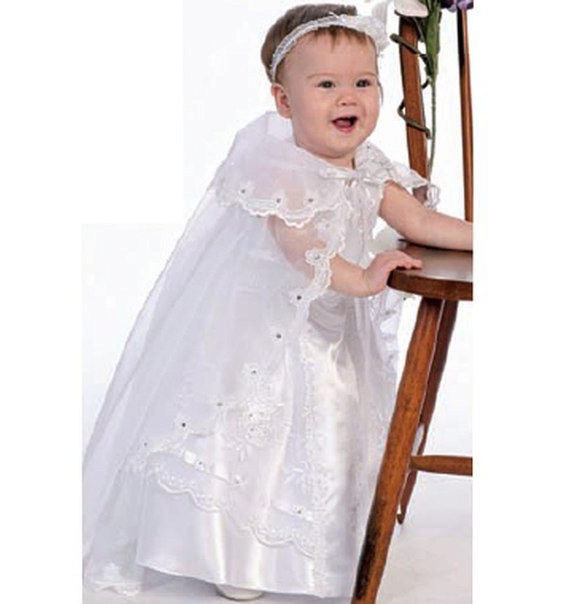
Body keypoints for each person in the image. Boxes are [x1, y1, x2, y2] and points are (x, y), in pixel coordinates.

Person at [82, 2, 472, 602]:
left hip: (331, 330)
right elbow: (302, 248)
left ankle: (326, 543)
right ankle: (237, 554)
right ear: (284, 101)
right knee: (261, 430)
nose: (349, 97)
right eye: (326, 85)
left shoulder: (369, 167)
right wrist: (364, 277)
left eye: (364, 82)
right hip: (271, 331)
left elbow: (419, 220)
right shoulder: (281, 171)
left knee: (332, 424)